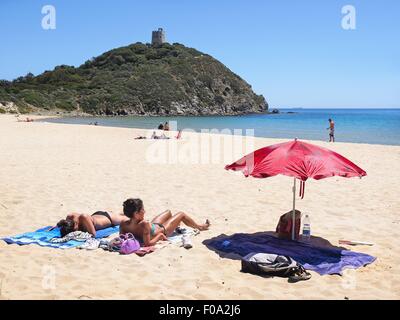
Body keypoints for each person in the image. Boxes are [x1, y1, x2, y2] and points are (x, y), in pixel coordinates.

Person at [119, 198, 210, 246]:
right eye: (142, 209)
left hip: (154, 226)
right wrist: (160, 236)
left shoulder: (123, 223)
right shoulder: (144, 224)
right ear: (136, 213)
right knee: (181, 214)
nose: (145, 211)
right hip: (163, 230)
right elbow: (147, 244)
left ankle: (176, 224)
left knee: (168, 212)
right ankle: (200, 227)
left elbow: (122, 238)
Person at [50, 211, 129, 237]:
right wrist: (57, 226)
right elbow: (63, 223)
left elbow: (93, 234)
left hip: (109, 219)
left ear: (75, 225)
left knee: (129, 218)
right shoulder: (70, 217)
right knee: (122, 214)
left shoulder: (84, 217)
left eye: (75, 230)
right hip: (96, 216)